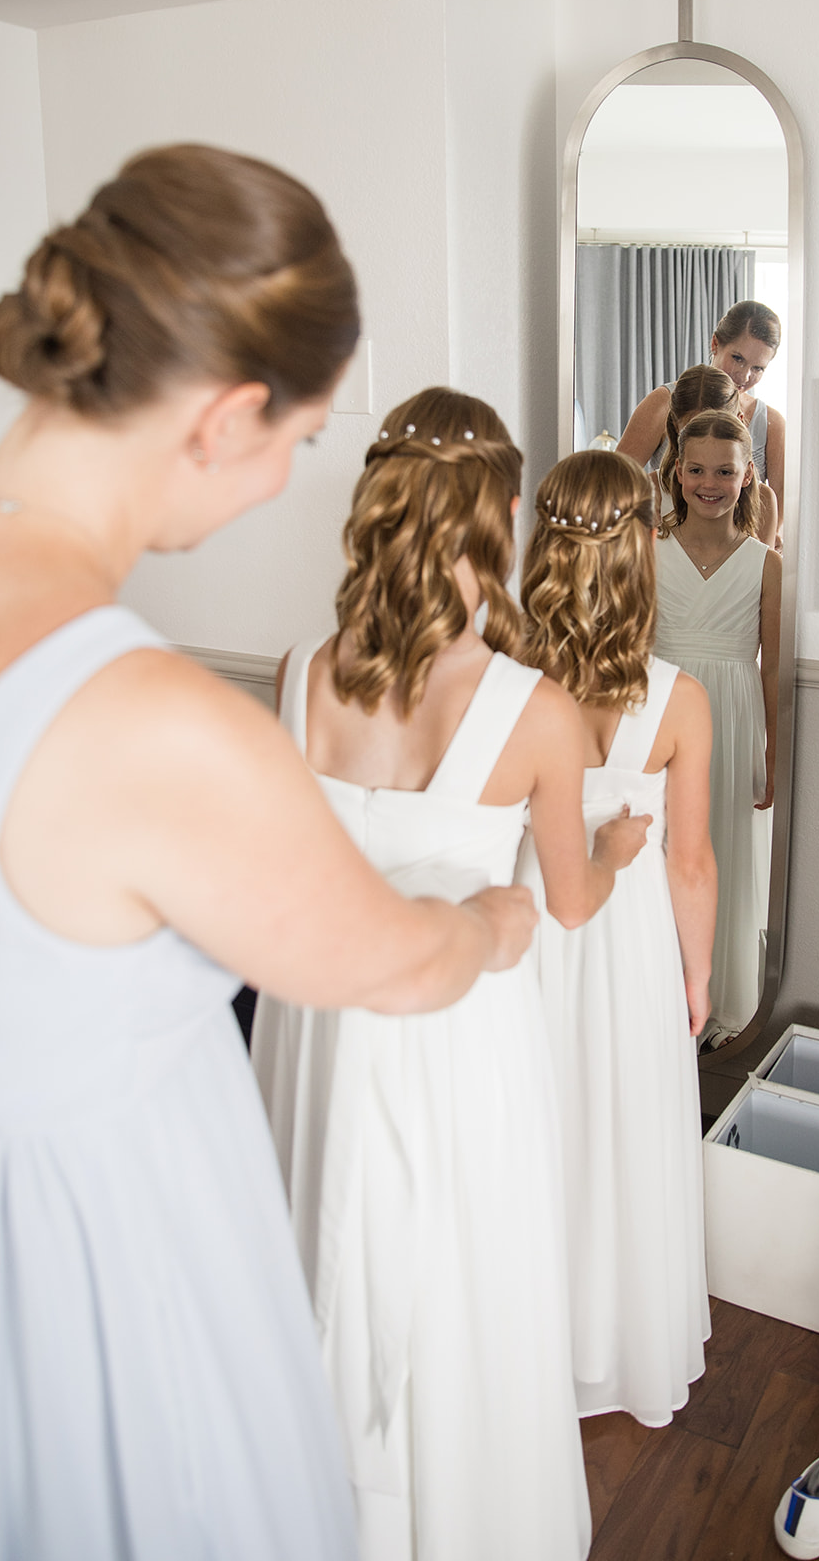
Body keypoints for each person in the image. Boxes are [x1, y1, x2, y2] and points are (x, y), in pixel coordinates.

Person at [0, 145, 539, 1561]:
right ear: (227, 414)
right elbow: (392, 962)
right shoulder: (141, 718)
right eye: (301, 440)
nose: (282, 486)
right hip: (93, 1274)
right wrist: (495, 925)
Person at [250, 387, 649, 1561]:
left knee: (326, 1242)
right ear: (501, 516)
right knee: (462, 1273)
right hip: (460, 1034)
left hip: (319, 1015)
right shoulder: (539, 712)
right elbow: (567, 905)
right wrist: (619, 849)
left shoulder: (299, 676)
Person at [518, 448, 716, 1428]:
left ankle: (525, 1341)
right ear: (644, 547)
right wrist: (698, 974)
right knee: (622, 1128)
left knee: (533, 1130)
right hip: (628, 938)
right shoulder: (678, 700)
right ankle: (616, 1344)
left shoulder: (506, 681)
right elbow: (689, 862)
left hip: (530, 927)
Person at [653, 411, 781, 1052]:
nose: (710, 483)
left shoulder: (765, 563)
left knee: (720, 850)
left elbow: (772, 671)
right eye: (697, 469)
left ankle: (718, 999)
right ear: (678, 474)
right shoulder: (646, 551)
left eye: (725, 471)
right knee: (662, 850)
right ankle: (656, 990)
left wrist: (774, 757)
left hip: (730, 718)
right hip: (656, 716)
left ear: (746, 475)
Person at [617, 299, 787, 539]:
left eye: (758, 368)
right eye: (737, 358)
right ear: (715, 344)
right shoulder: (663, 402)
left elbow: (779, 505)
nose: (745, 375)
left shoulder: (772, 423)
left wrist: (761, 546)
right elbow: (615, 479)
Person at [647, 363, 778, 547]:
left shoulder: (764, 501)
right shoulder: (649, 492)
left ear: (740, 422)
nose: (709, 442)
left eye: (721, 428)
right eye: (694, 429)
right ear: (676, 425)